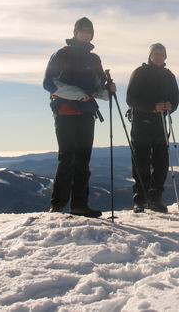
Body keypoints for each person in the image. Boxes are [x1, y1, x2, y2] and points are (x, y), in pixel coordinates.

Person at [43, 17, 115, 218]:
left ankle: (79, 205)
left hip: (86, 113)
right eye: (82, 31)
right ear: (75, 32)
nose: (85, 34)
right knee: (67, 158)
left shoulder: (94, 59)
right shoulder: (62, 54)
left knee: (83, 160)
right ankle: (57, 206)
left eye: (88, 31)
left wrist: (108, 90)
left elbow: (98, 86)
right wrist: (80, 95)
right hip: (65, 111)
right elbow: (49, 83)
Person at [126, 43, 179, 213]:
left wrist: (170, 105)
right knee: (140, 162)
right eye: (155, 53)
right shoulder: (140, 73)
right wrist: (153, 107)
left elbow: (175, 99)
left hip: (159, 124)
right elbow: (130, 99)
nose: (158, 56)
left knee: (161, 162)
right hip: (141, 122)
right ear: (150, 55)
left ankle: (155, 198)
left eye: (161, 53)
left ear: (165, 56)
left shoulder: (169, 75)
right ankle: (140, 199)